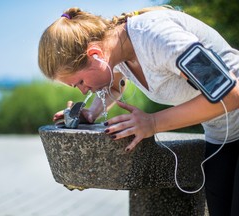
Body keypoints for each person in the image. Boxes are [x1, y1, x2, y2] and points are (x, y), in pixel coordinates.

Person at [38, 5, 239, 216]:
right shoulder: (117, 50)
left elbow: (231, 94)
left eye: (79, 81)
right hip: (223, 137)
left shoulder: (158, 38)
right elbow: (115, 86)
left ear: (95, 54)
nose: (83, 90)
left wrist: (153, 123)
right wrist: (90, 113)